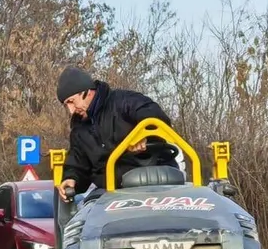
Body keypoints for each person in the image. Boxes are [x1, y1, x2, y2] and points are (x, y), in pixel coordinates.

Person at [56, 66, 178, 202]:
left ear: (87, 92)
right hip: (111, 193)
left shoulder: (125, 101)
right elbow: (78, 162)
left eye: (71, 102)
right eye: (66, 105)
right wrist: (71, 178)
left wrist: (143, 136)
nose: (71, 110)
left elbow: (155, 117)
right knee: (87, 205)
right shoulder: (79, 130)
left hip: (154, 181)